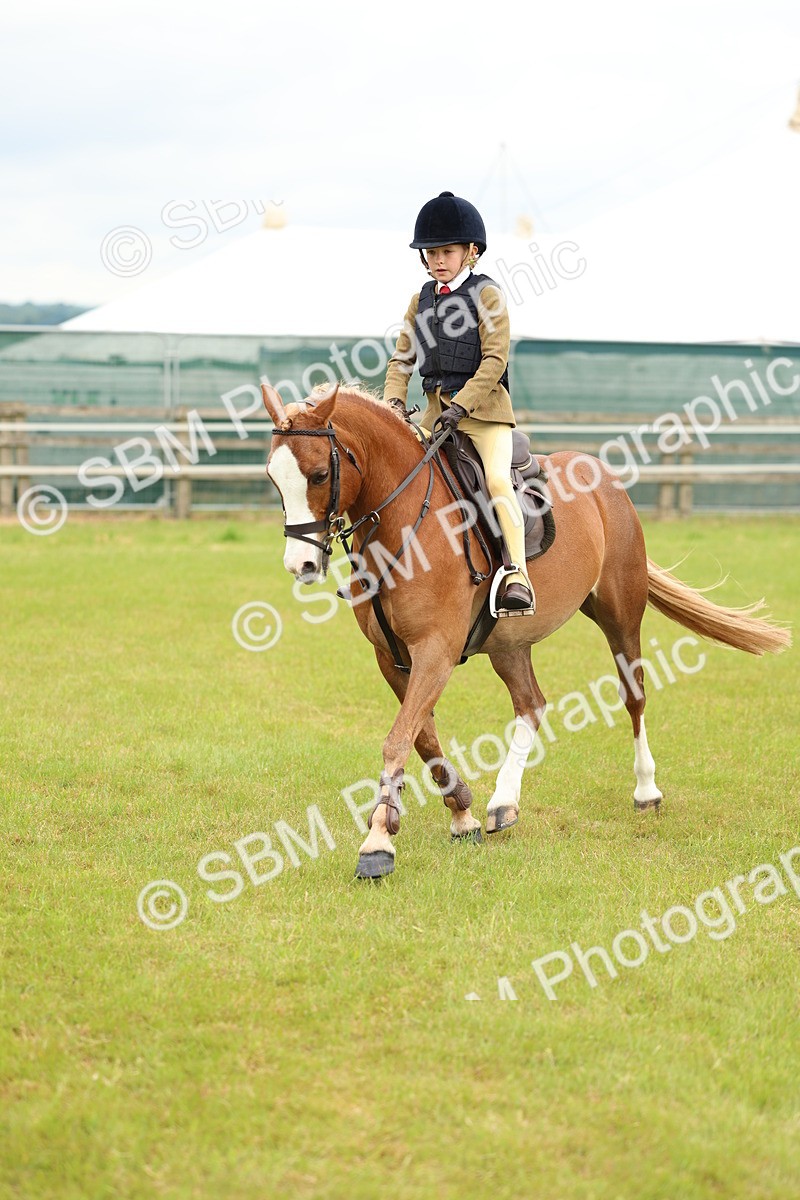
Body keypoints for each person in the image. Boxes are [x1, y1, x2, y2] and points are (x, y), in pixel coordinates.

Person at [383, 190, 535, 611]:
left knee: (498, 481)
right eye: (431, 253)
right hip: (434, 417)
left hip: (484, 416)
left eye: (447, 251)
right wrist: (393, 404)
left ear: (471, 252)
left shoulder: (487, 296)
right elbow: (401, 360)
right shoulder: (420, 301)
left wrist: (461, 406)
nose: (438, 260)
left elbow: (495, 361)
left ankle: (517, 574)